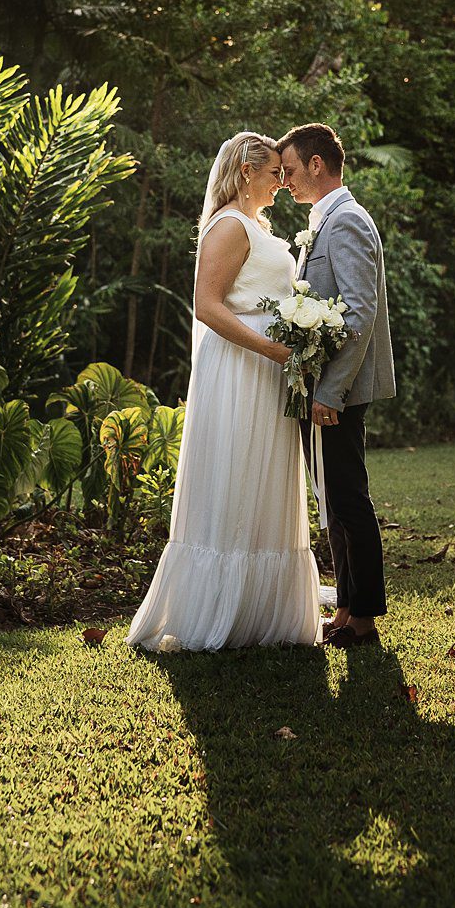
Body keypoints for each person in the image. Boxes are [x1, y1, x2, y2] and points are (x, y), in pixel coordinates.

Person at [126, 133, 325, 651]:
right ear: (245, 174)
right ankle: (219, 609)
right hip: (241, 369)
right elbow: (208, 306)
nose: (282, 183)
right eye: (273, 174)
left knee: (262, 478)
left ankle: (263, 611)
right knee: (236, 472)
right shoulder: (230, 226)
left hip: (264, 368)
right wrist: (276, 351)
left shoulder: (256, 226)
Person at [279, 122, 396, 648]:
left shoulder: (346, 221)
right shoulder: (323, 220)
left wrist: (330, 391)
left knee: (348, 498)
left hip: (336, 392)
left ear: (317, 165)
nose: (284, 182)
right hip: (321, 388)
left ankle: (365, 619)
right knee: (332, 498)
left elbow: (359, 311)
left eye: (289, 171)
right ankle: (346, 608)